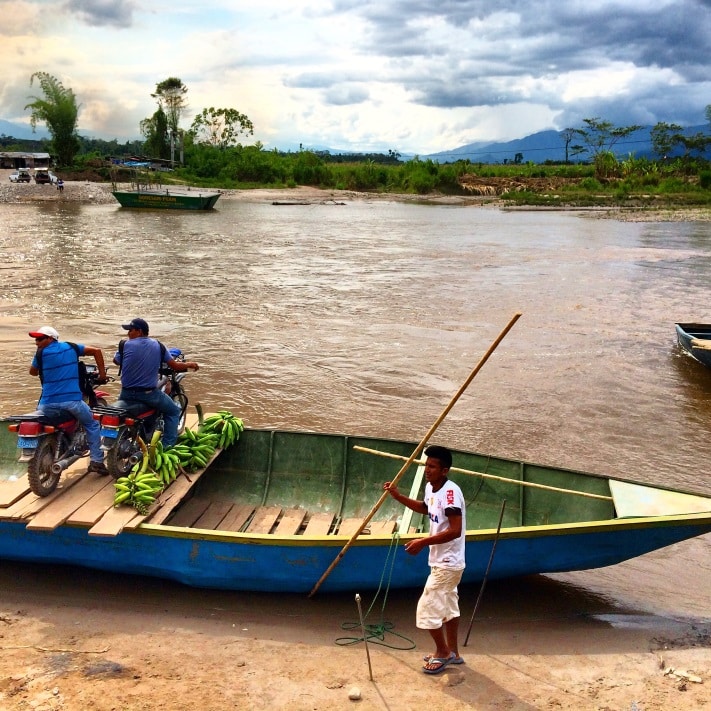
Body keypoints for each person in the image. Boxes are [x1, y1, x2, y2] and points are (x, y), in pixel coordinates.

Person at [384, 444, 466, 674]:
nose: (427, 470)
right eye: (426, 465)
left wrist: (422, 542)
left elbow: (455, 530)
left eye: (432, 466)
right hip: (442, 562)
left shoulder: (450, 492)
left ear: (445, 470)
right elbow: (425, 507)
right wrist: (397, 496)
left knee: (427, 609)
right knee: (449, 606)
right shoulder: (432, 488)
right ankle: (454, 653)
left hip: (448, 563)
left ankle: (443, 652)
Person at [28, 326, 109, 475]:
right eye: (36, 339)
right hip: (72, 402)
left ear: (51, 338)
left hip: (46, 404)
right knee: (92, 424)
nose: (36, 342)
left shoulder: (40, 355)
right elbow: (96, 351)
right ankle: (97, 460)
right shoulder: (71, 347)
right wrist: (102, 375)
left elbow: (33, 372)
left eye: (40, 339)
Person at [113, 318, 199, 448]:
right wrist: (190, 364)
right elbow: (175, 366)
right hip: (148, 394)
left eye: (130, 330)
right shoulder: (158, 346)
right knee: (173, 411)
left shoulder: (124, 345)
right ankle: (167, 448)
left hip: (126, 393)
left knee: (120, 416)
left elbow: (116, 361)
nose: (128, 334)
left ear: (139, 331)